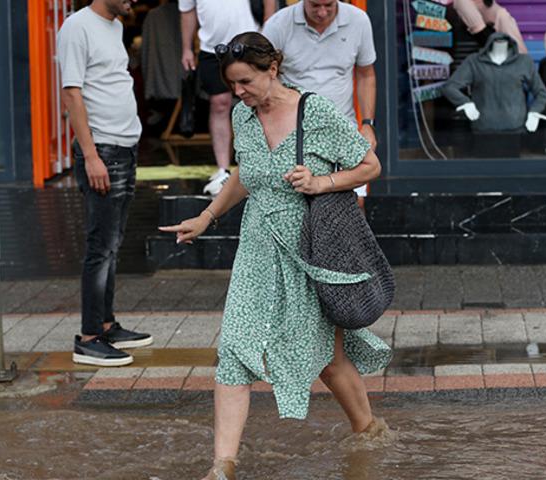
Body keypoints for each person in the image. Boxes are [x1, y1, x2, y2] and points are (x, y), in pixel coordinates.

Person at [159, 32, 393, 480]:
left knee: (327, 357)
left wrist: (321, 182)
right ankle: (222, 467)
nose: (240, 93)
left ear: (272, 68)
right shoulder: (246, 117)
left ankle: (369, 430)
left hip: (311, 249)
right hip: (258, 250)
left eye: (246, 81)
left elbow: (370, 166)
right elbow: (247, 173)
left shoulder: (316, 112)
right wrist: (207, 216)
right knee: (234, 351)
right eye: (232, 85)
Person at [58, 0, 153, 367]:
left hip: (124, 147)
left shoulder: (114, 26)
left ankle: (106, 324)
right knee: (100, 246)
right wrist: (91, 154)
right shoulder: (76, 27)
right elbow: (71, 92)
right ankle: (89, 337)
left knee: (113, 243)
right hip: (103, 150)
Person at [262, 0, 376, 201]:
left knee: (354, 202)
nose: (322, 12)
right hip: (293, 132)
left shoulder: (358, 20)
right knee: (294, 201)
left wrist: (367, 124)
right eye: (315, 6)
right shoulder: (278, 24)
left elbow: (366, 75)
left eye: (328, 5)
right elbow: (263, 78)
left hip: (341, 127)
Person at [179, 0, 277, 196]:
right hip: (212, 47)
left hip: (250, 45)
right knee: (219, 104)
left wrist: (267, 33)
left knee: (258, 102)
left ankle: (259, 165)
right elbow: (187, 11)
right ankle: (223, 168)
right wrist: (187, 48)